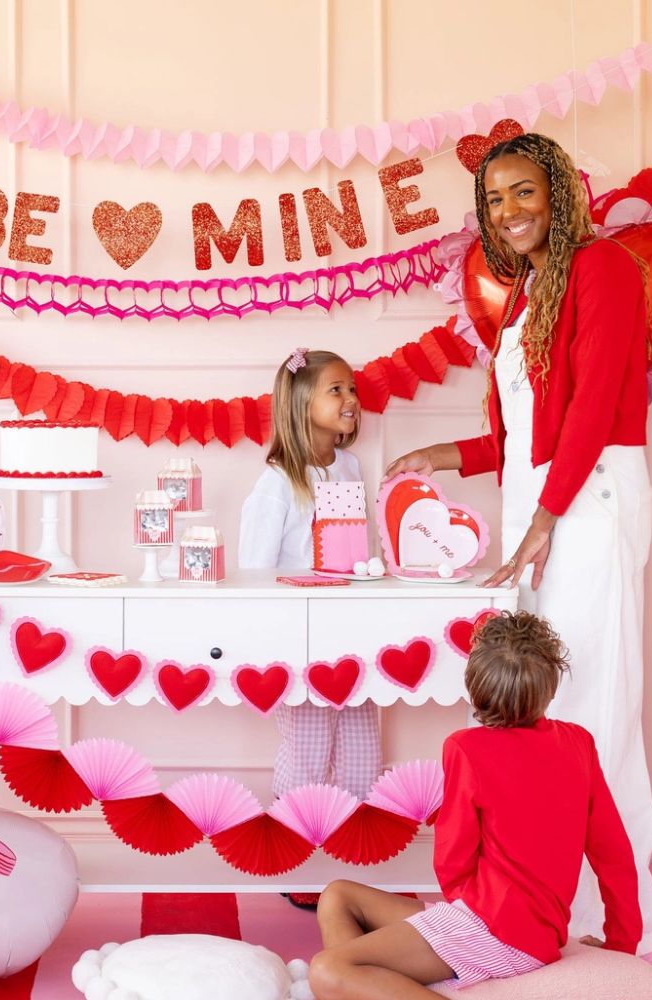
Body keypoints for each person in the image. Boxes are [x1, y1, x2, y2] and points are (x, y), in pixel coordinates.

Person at [383, 132, 652, 960]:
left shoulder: (603, 268)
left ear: (559, 193)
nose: (509, 210)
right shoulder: (528, 291)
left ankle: (630, 927)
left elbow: (592, 408)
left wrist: (547, 518)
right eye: (495, 198)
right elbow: (527, 435)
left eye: (523, 191)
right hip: (543, 505)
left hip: (588, 503)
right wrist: (447, 455)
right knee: (549, 715)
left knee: (594, 708)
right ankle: (554, 912)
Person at [309, 611, 641, 999]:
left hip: (492, 930)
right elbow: (614, 854)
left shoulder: (466, 748)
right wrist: (622, 944)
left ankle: (365, 984)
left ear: (476, 688)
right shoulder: (578, 743)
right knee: (338, 896)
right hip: (507, 924)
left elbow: (452, 861)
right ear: (549, 689)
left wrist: (469, 919)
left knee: (326, 969)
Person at [239, 349, 381, 909]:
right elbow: (254, 569)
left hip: (351, 627)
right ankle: (294, 850)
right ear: (302, 404)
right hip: (298, 632)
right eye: (336, 390)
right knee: (309, 745)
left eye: (352, 390)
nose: (351, 400)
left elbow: (357, 544)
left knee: (363, 746)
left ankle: (350, 859)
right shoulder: (278, 481)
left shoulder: (350, 467)